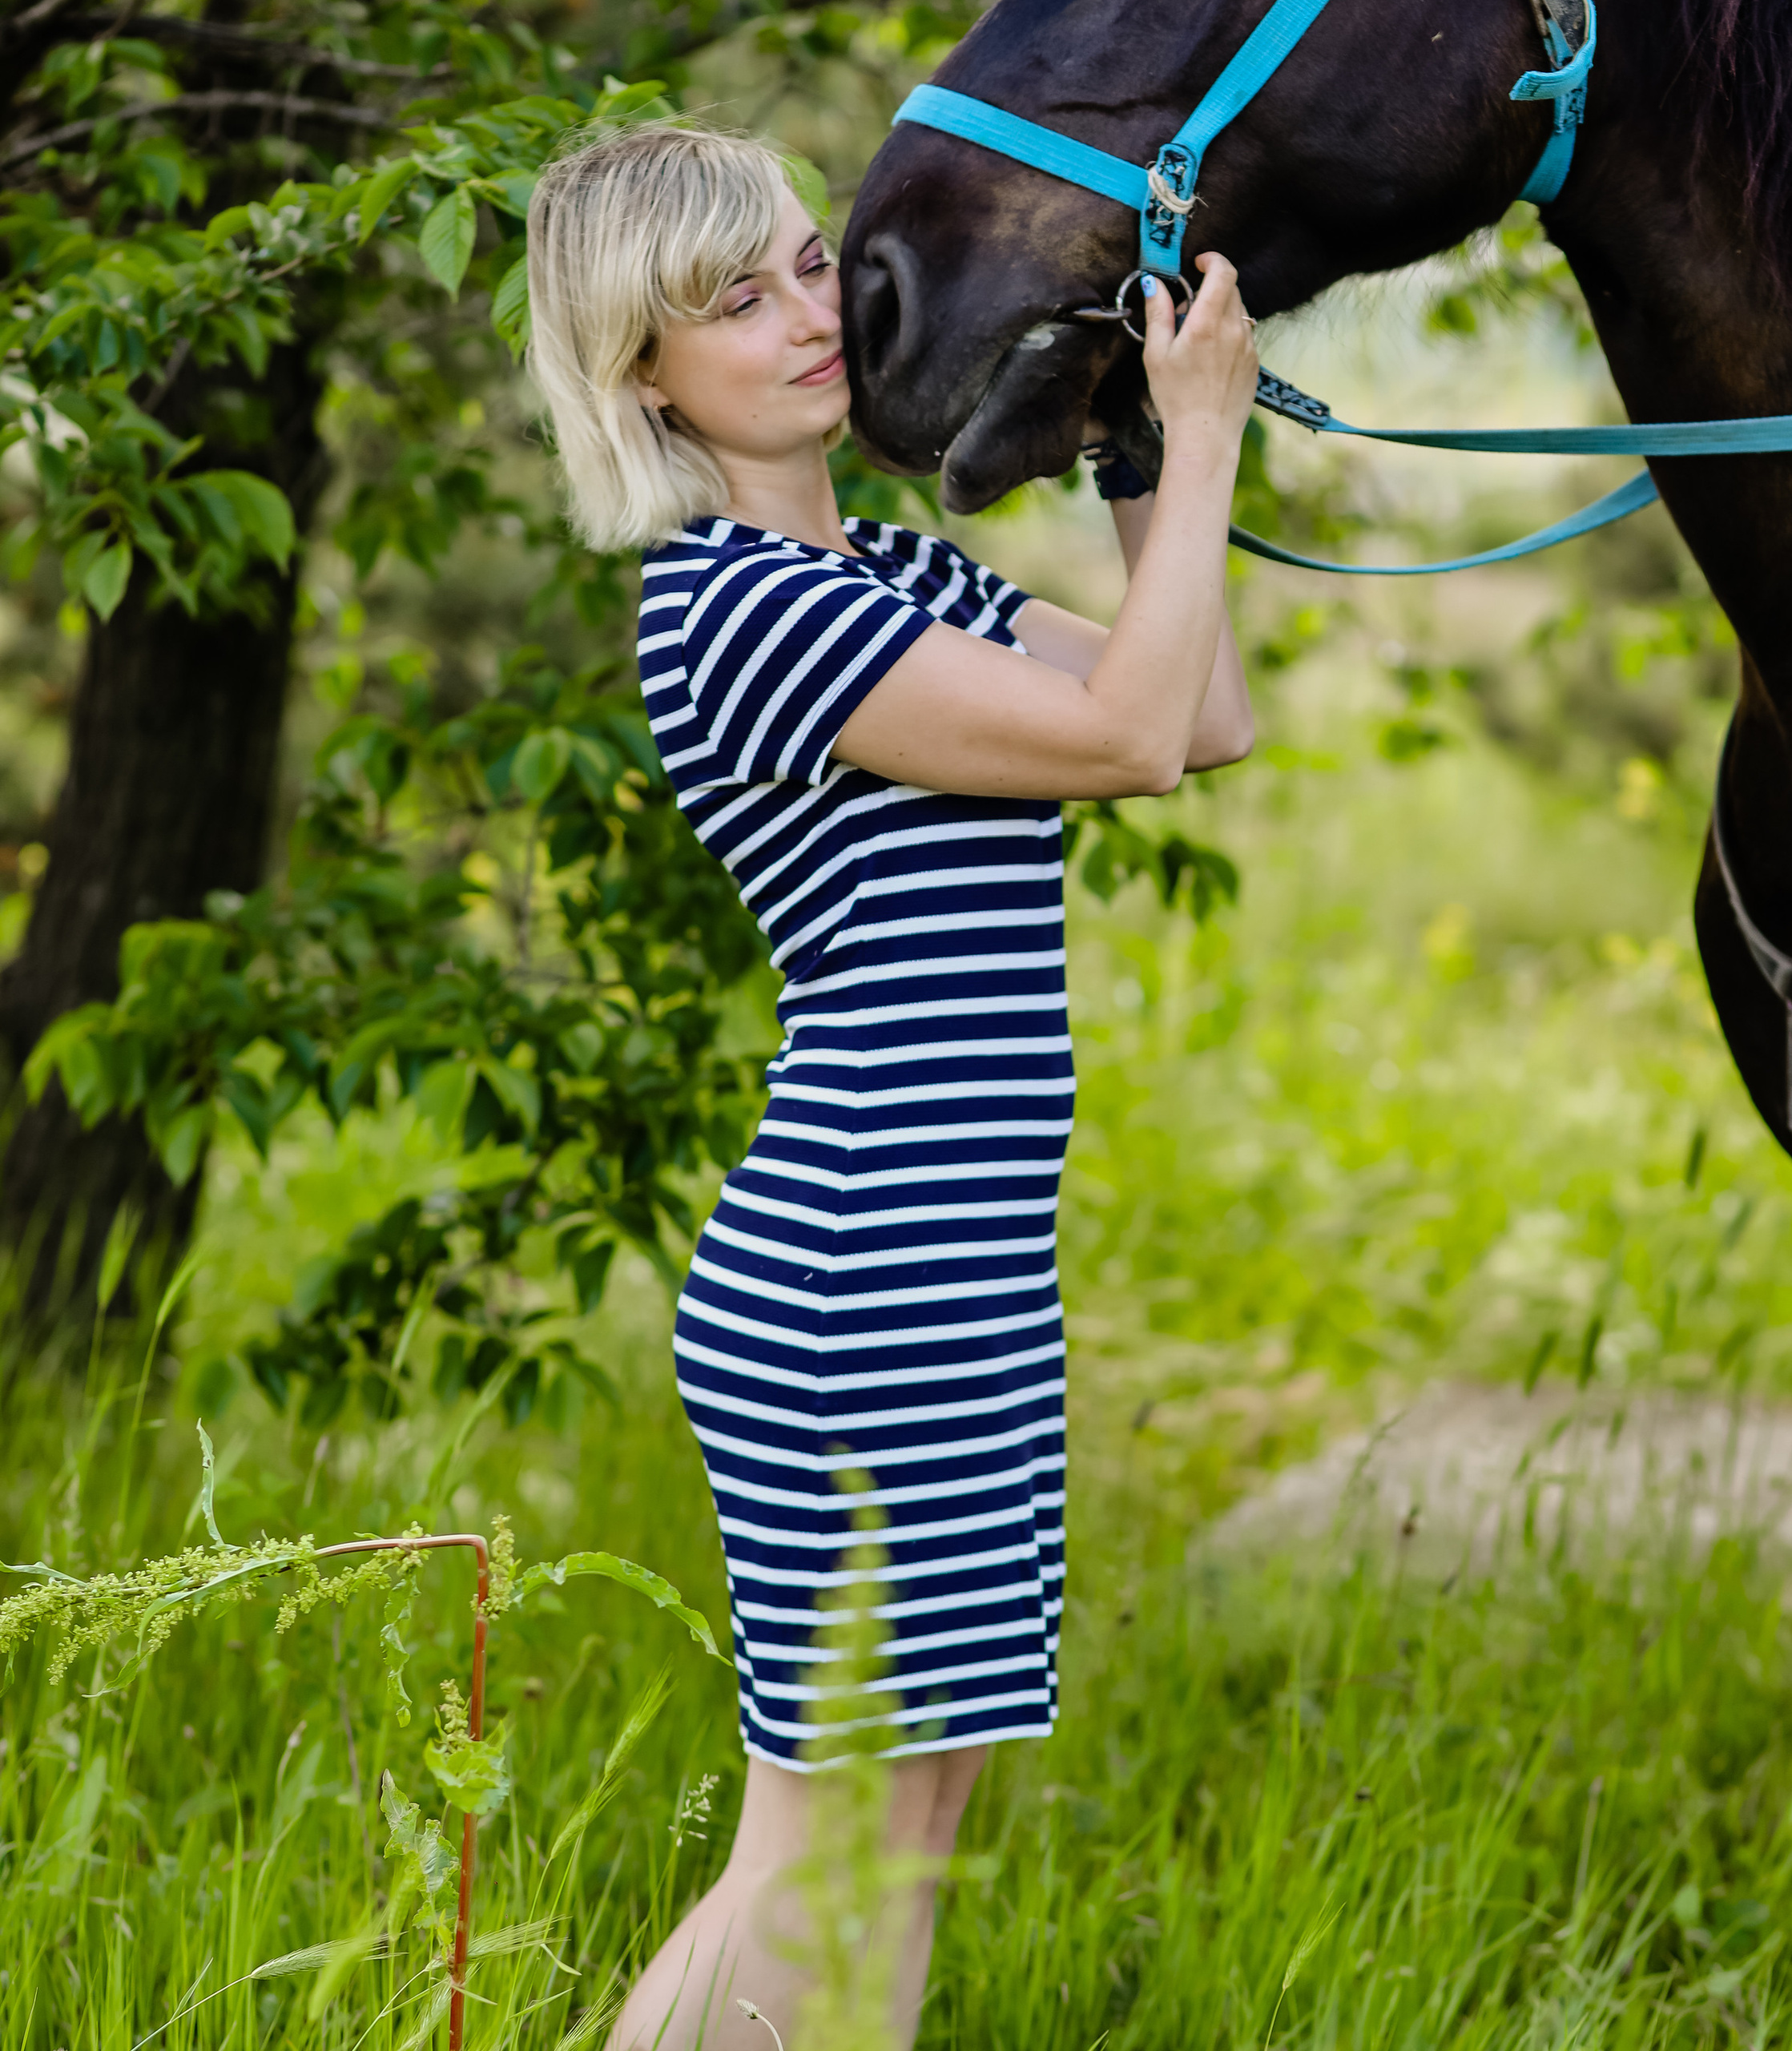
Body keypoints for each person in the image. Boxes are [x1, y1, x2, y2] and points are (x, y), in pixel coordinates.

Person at [524, 121, 1258, 2050]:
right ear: (642, 375)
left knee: (906, 1837)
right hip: (858, 1286)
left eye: (793, 261)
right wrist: (1214, 428)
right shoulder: (737, 612)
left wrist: (1135, 445)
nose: (801, 311)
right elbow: (1125, 743)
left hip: (961, 1283)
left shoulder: (895, 575)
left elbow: (1207, 710)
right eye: (729, 298)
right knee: (817, 1840)